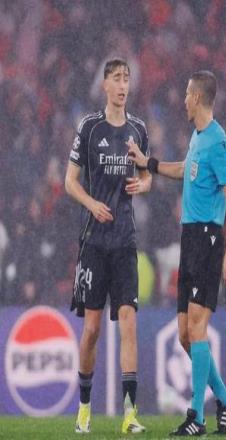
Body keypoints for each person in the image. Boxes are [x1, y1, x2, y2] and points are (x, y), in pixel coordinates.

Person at [128, 70, 226, 436]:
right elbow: (185, 169)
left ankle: (197, 417)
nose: (183, 100)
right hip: (190, 238)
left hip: (209, 239)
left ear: (198, 97)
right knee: (183, 334)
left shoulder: (218, 141)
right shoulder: (198, 137)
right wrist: (150, 163)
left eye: (187, 94)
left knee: (196, 327)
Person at [65, 59, 151, 434]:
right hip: (95, 243)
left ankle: (129, 414)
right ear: (104, 85)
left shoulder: (138, 130)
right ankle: (84, 408)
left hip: (125, 241)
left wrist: (142, 185)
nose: (122, 85)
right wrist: (92, 204)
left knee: (128, 322)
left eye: (126, 79)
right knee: (92, 329)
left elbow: (147, 176)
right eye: (116, 79)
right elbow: (70, 181)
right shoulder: (89, 128)